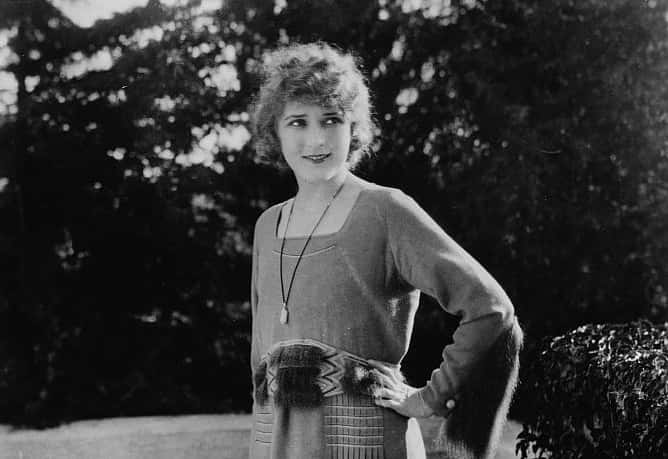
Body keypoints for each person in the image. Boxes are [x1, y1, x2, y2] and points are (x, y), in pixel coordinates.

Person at [248, 42, 523, 459]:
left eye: (332, 119)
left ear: (353, 127)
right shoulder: (267, 226)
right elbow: (259, 366)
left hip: (368, 440)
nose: (316, 138)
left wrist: (428, 397)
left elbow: (490, 309)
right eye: (298, 122)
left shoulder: (385, 211)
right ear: (275, 130)